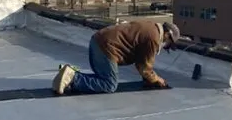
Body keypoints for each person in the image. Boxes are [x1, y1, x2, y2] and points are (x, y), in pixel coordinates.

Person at [52, 20, 180, 96]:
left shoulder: (150, 27)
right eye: (168, 44)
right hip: (106, 48)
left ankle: (67, 74)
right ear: (167, 34)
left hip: (98, 42)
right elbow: (144, 68)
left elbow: (141, 62)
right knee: (109, 85)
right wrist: (157, 79)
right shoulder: (154, 37)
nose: (166, 46)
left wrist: (149, 79)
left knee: (103, 79)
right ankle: (73, 77)